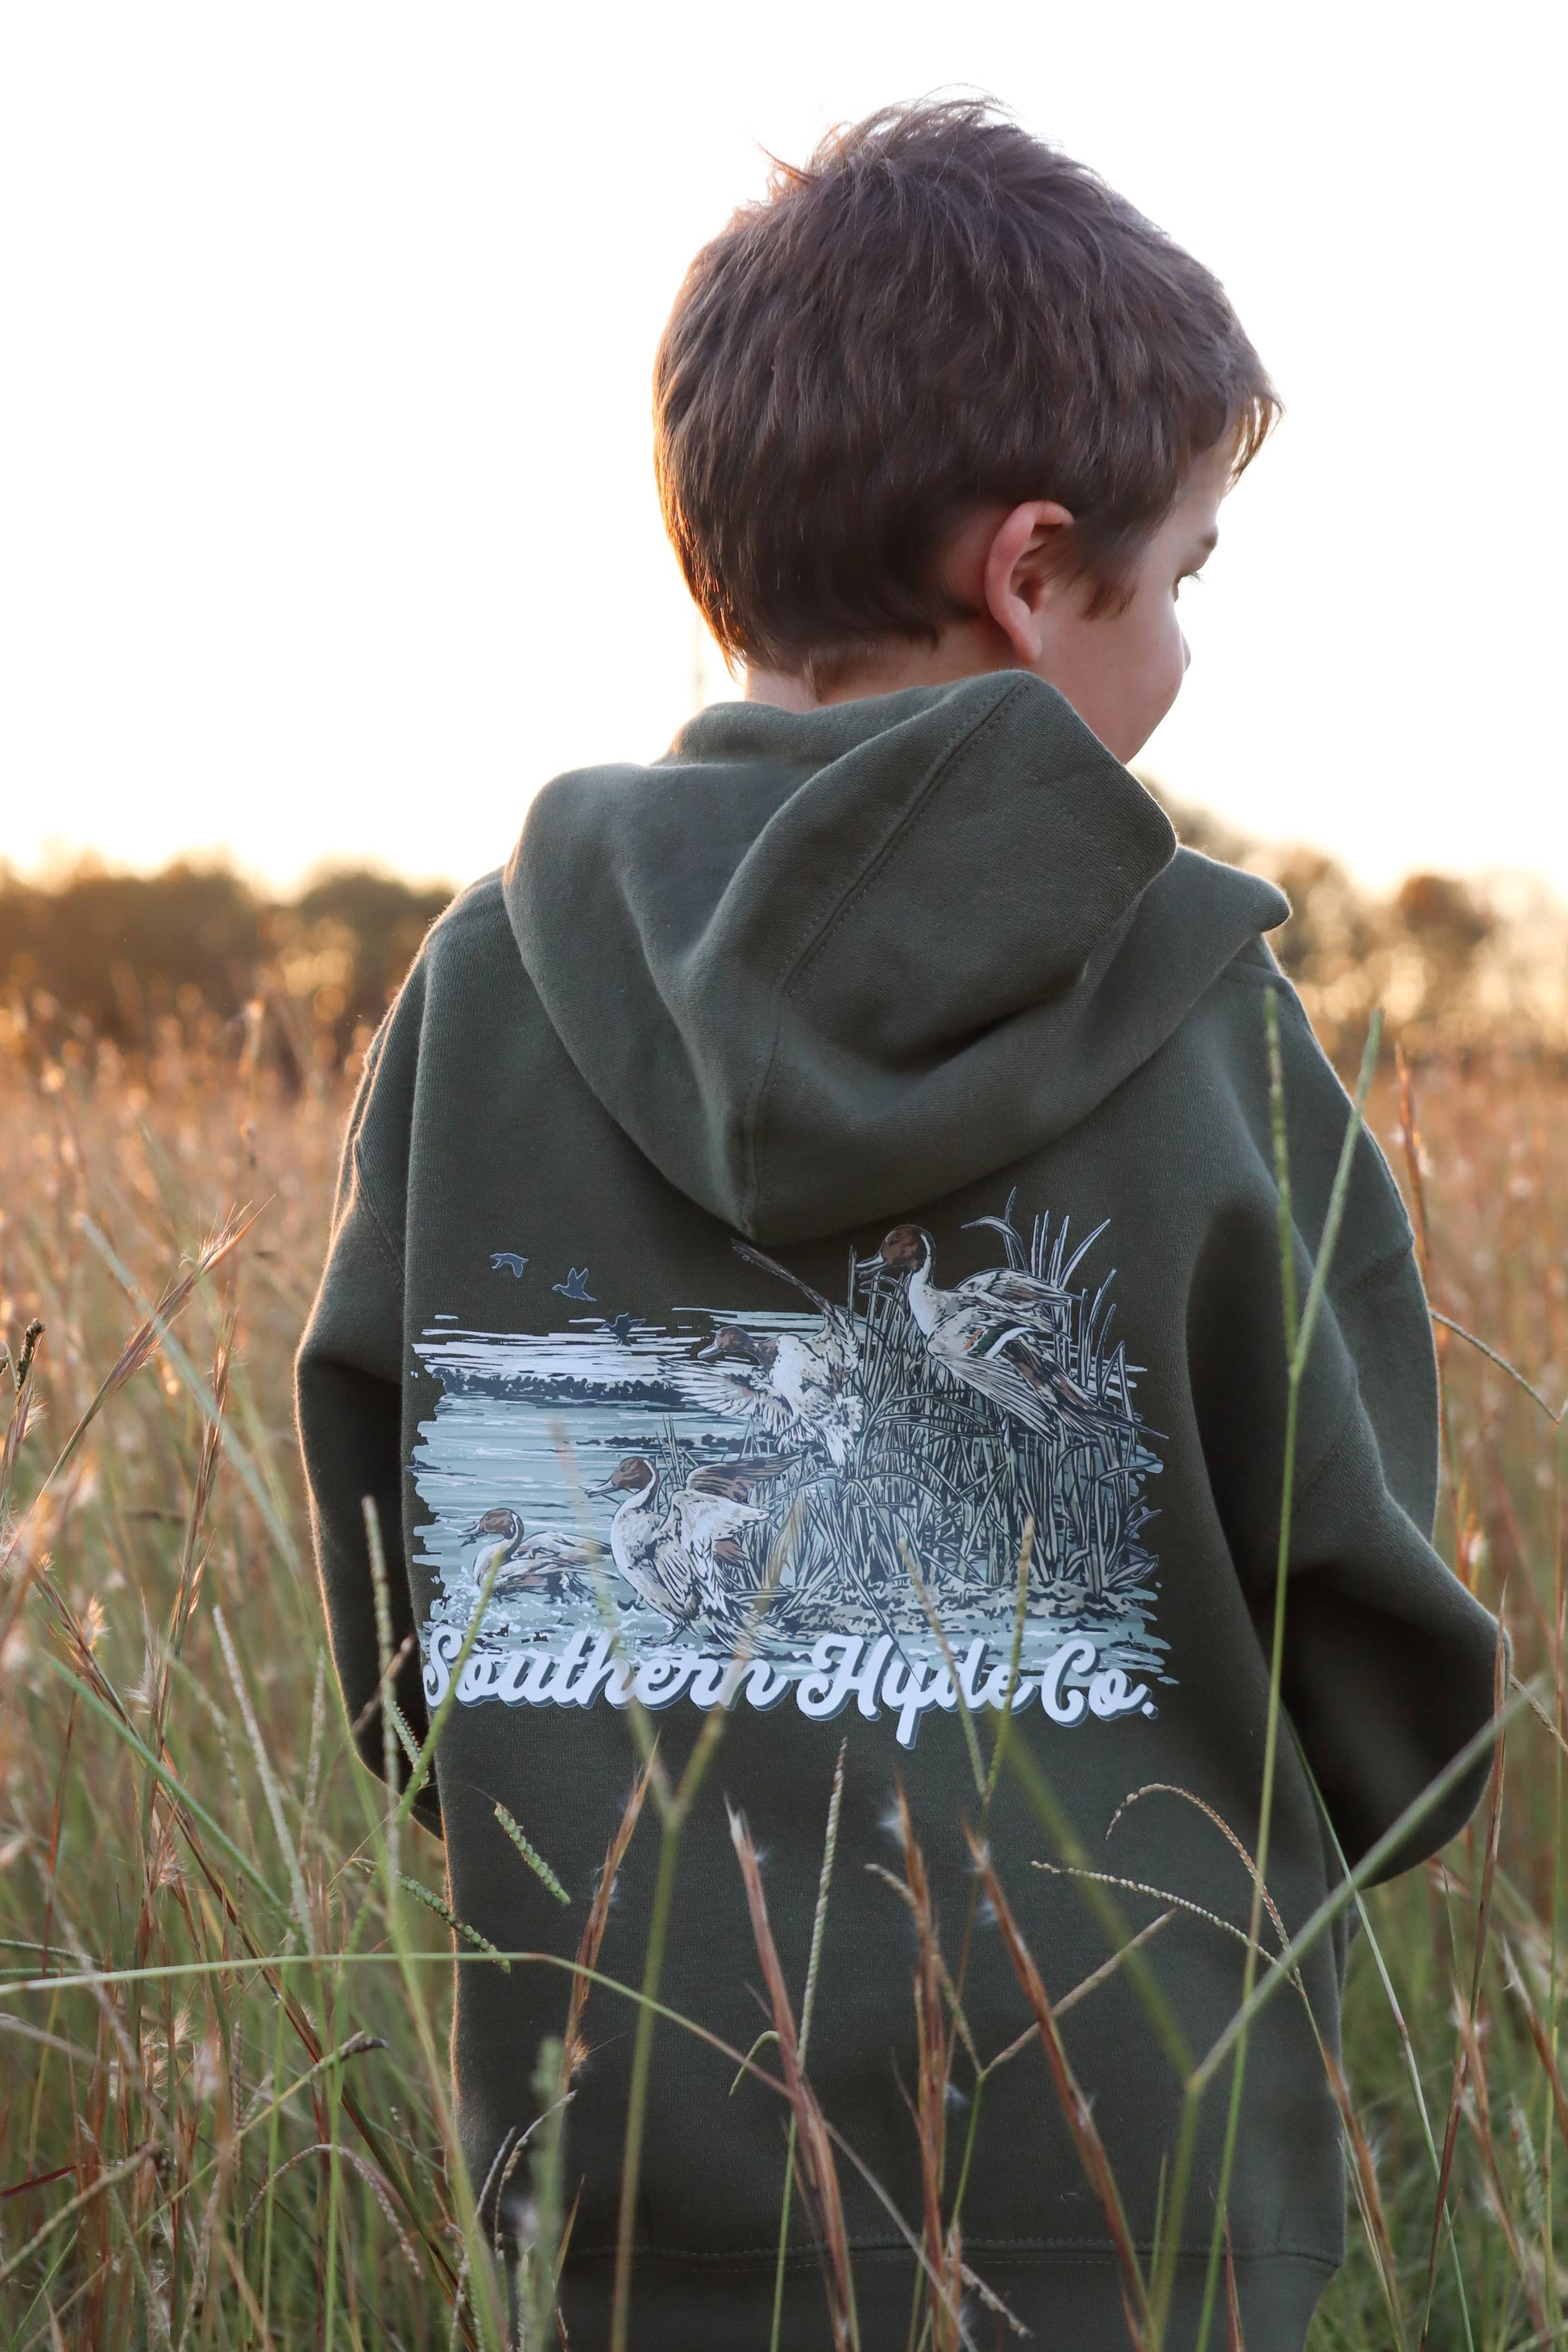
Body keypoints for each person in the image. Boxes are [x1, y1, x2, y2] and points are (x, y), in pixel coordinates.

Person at [297, 101, 1500, 2351]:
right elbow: (1372, 1653)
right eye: (1187, 569)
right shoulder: (1199, 1021)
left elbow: (399, 1622)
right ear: (1033, 572)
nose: (1184, 649)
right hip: (1141, 2193)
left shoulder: (484, 996)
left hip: (639, 2176)